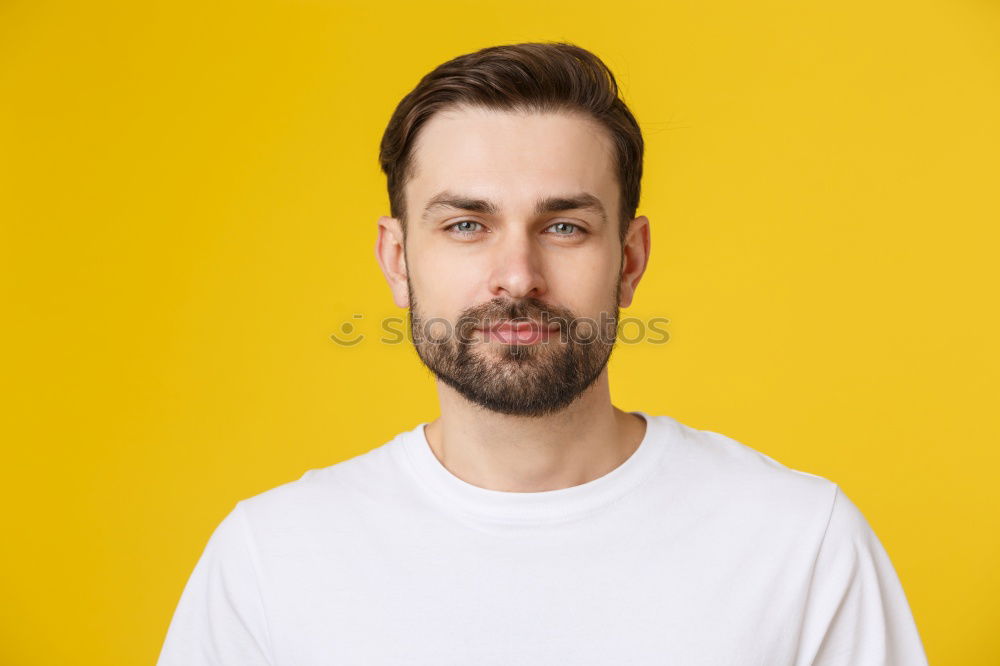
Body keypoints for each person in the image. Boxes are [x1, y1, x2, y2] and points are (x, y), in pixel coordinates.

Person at [157, 42, 929, 665]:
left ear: (628, 259)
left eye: (564, 227)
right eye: (466, 225)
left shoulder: (800, 545)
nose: (518, 276)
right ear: (397, 260)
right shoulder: (271, 557)